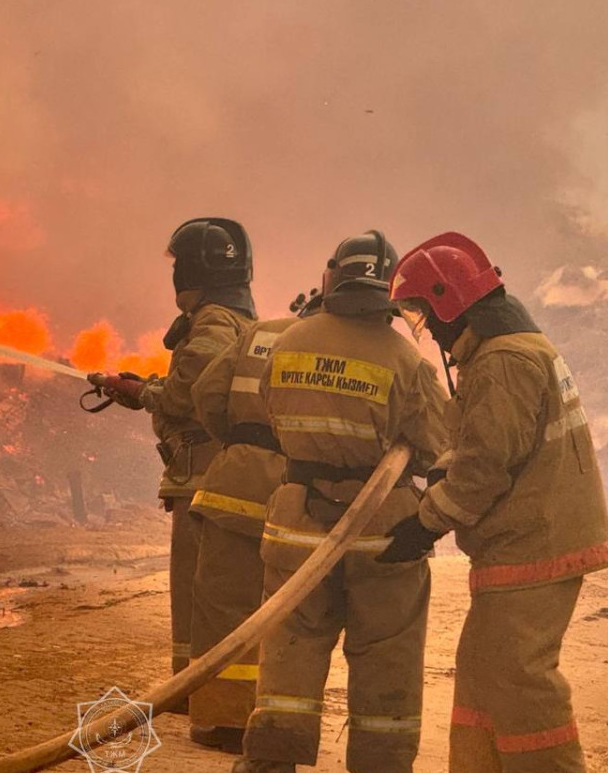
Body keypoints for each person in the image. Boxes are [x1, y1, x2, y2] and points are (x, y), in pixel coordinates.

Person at [380, 231, 608, 773]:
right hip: (526, 538)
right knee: (484, 672)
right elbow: (478, 445)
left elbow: (485, 465)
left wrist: (426, 522)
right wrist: (437, 479)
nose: (425, 327)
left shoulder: (502, 362)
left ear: (449, 302)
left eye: (421, 312)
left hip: (535, 542)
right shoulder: (507, 352)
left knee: (520, 678)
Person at [235, 231, 449, 773]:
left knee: (290, 647)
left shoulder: (288, 342)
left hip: (298, 521)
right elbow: (437, 446)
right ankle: (380, 764)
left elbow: (269, 413)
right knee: (387, 654)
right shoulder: (408, 360)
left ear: (332, 278)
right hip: (382, 533)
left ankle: (271, 761)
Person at [92, 217, 256, 696]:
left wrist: (144, 394)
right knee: (213, 589)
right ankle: (197, 689)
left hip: (199, 476)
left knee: (193, 591)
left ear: (193, 271)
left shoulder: (212, 322)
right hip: (212, 472)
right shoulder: (236, 319)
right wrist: (141, 388)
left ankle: (187, 692)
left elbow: (188, 396)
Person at [187, 295, 310, 751]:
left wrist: (238, 442)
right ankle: (271, 720)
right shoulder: (357, 346)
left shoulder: (260, 333)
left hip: (234, 482)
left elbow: (206, 393)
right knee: (289, 616)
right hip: (300, 493)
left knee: (222, 605)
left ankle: (222, 721)